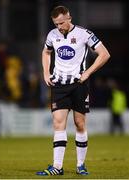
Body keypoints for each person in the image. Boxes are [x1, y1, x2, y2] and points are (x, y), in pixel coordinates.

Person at [36, 5, 110, 176]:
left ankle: (80, 165)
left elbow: (104, 54)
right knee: (58, 123)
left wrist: (88, 73)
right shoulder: (52, 35)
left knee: (79, 123)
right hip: (59, 85)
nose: (59, 27)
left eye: (61, 23)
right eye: (56, 24)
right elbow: (46, 52)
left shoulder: (84, 34)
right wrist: (46, 72)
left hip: (79, 84)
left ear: (69, 18)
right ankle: (57, 166)